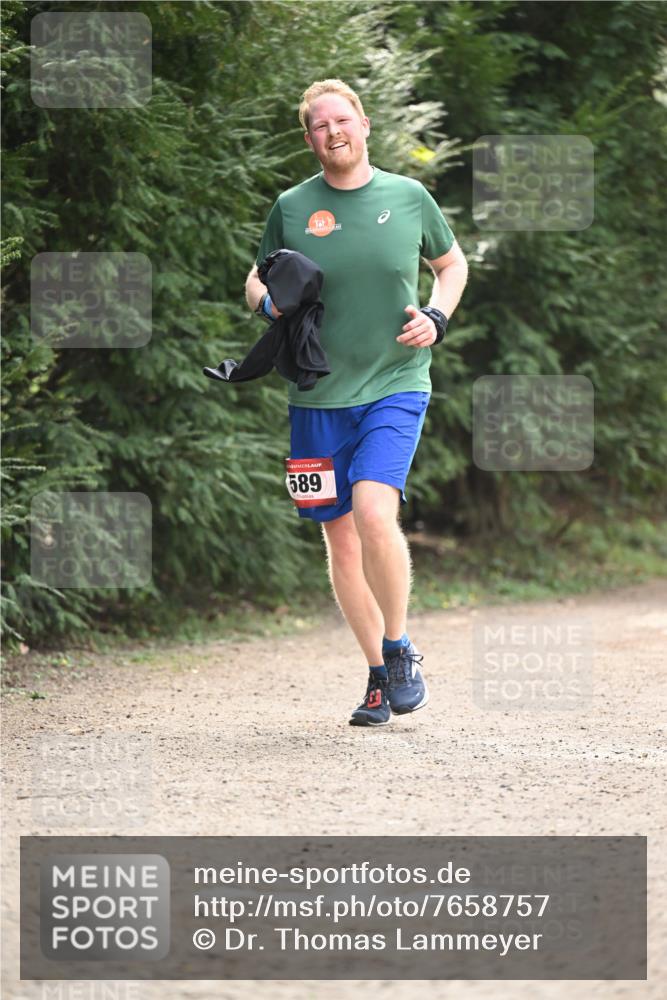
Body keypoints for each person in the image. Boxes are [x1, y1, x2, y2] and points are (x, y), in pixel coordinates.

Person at [245, 79, 468, 727]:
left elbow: (450, 265)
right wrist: (266, 302)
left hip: (397, 381)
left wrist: (436, 315)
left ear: (364, 125)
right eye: (318, 125)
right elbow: (256, 276)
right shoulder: (291, 206)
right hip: (314, 395)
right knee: (338, 537)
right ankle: (377, 675)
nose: (332, 132)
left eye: (341, 120)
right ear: (308, 137)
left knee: (374, 511)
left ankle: (398, 648)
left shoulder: (408, 197)